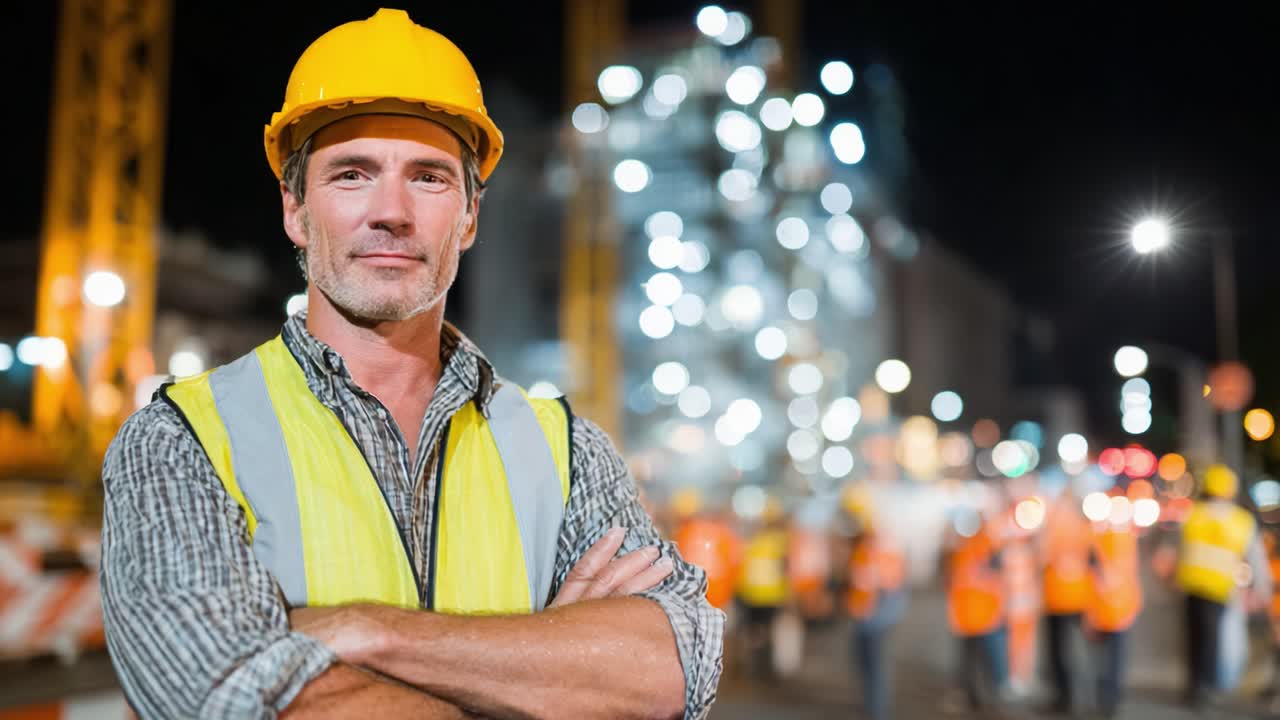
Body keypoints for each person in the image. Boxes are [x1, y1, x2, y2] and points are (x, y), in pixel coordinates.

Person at [98, 10, 723, 718]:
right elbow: (223, 695)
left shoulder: (568, 448)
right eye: (352, 174)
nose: (390, 211)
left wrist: (362, 633)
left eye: (427, 177)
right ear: (296, 211)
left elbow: (671, 664)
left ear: (470, 217)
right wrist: (543, 665)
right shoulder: (181, 441)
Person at [1174, 464, 1269, 709]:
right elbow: (1256, 559)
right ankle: (1206, 688)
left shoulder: (1193, 513)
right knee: (1212, 640)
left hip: (1191, 584)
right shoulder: (1240, 520)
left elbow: (1177, 549)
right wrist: (1263, 591)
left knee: (1195, 637)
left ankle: (1194, 686)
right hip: (1218, 588)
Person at [943, 510, 1009, 713]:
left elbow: (997, 576)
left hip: (986, 616)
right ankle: (972, 696)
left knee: (990, 660)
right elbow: (952, 580)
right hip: (966, 615)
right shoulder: (961, 549)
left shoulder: (989, 546)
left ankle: (993, 698)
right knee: (968, 661)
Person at [1084, 499, 1142, 719]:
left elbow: (1095, 577)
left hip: (1107, 611)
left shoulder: (1099, 539)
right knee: (1113, 661)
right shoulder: (1125, 540)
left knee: (1103, 661)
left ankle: (1106, 701)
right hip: (1116, 610)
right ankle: (1109, 700)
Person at [846, 512, 907, 720]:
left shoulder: (886, 553)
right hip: (863, 613)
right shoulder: (865, 549)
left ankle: (876, 711)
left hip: (876, 616)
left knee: (875, 664)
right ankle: (870, 706)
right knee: (863, 662)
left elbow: (888, 584)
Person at [1037, 488, 1093, 714]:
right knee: (1079, 650)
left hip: (1057, 599)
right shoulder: (1084, 529)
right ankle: (1084, 696)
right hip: (1080, 598)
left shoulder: (1053, 530)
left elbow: (1041, 557)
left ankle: (1064, 698)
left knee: (1058, 651)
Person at [736, 503, 790, 680]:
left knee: (754, 634)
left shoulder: (752, 541)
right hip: (772, 596)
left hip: (751, 595)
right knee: (769, 634)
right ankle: (766, 669)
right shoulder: (780, 542)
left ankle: (753, 667)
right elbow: (785, 568)